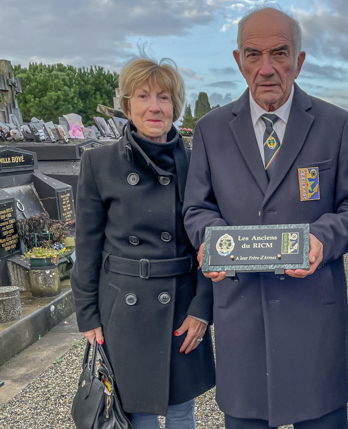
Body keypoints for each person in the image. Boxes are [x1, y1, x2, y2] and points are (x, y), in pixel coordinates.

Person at [183, 7, 348, 429]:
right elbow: (195, 208)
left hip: (313, 325)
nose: (266, 68)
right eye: (253, 54)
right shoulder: (211, 130)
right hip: (243, 321)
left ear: (299, 60)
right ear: (238, 60)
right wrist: (216, 243)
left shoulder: (335, 124)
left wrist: (322, 238)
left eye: (280, 53)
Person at [71, 57, 215, 428]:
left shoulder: (197, 163)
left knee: (181, 407)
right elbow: (86, 246)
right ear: (127, 105)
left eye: (164, 97)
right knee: (136, 410)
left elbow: (211, 242)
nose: (155, 106)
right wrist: (87, 314)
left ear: (174, 106)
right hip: (124, 306)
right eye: (144, 96)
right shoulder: (98, 164)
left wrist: (202, 308)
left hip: (181, 303)